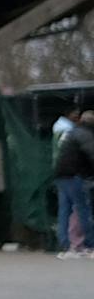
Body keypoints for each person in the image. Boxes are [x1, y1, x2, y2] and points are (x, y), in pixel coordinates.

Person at [55, 109, 94, 260]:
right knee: (83, 209)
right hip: (75, 175)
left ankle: (65, 247)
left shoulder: (72, 132)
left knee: (64, 210)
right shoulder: (86, 134)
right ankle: (90, 246)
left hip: (61, 174)